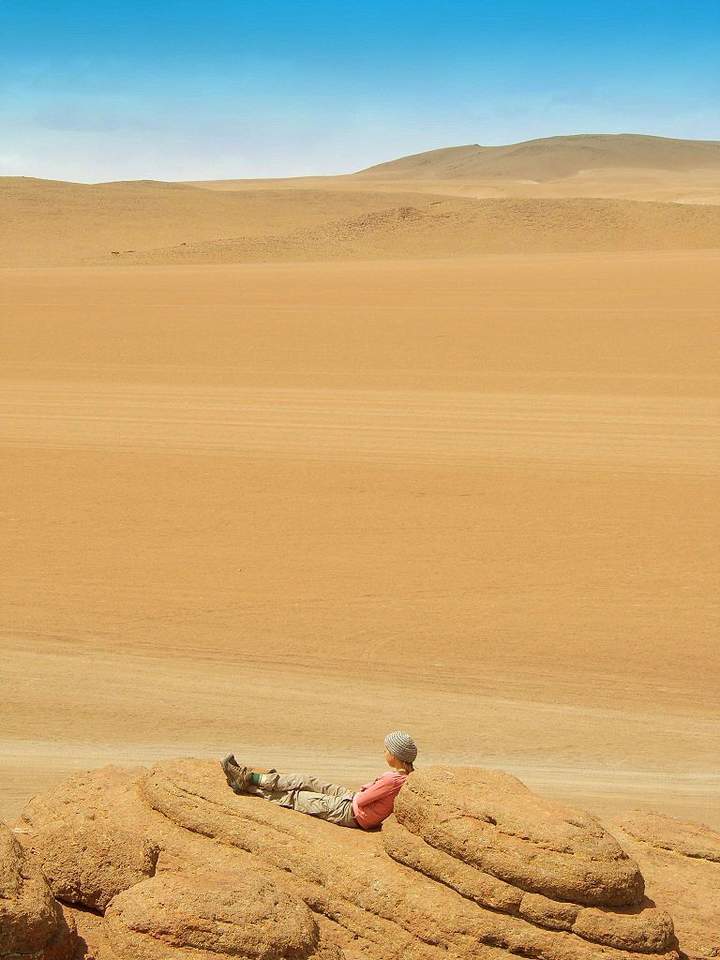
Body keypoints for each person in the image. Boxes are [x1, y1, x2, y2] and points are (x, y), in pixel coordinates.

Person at [220, 730, 417, 830]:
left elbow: (363, 800)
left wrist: (361, 791)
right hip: (352, 801)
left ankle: (248, 784)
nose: (384, 753)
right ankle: (252, 777)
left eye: (386, 750)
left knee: (297, 797)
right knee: (307, 780)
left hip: (350, 810)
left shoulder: (393, 780)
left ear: (395, 755)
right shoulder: (405, 777)